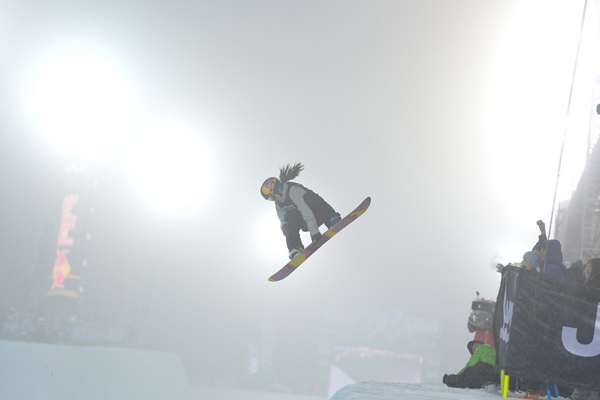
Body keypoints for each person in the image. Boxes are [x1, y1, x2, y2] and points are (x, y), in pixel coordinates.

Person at [260, 163, 341, 259]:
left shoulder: (292, 190)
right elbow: (282, 220)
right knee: (288, 221)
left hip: (316, 213)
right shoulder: (278, 204)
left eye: (272, 197)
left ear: (277, 189)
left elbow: (306, 211)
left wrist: (314, 232)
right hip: (304, 222)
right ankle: (295, 247)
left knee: (312, 199)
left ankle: (331, 218)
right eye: (270, 199)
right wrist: (286, 228)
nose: (273, 200)